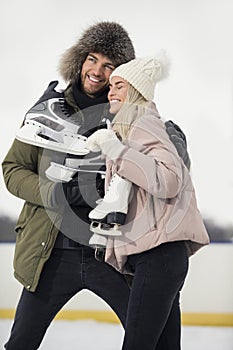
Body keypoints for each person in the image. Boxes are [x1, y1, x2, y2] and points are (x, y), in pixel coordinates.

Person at [2, 21, 190, 349]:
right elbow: (13, 169)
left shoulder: (135, 119)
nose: (97, 72)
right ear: (79, 61)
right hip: (50, 255)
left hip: (111, 254)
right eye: (92, 59)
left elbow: (164, 174)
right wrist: (53, 193)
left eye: (110, 66)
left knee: (154, 341)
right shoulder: (46, 114)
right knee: (20, 344)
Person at [87, 57, 210, 350]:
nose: (110, 91)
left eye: (120, 85)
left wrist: (114, 148)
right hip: (159, 257)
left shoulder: (144, 123)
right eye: (110, 86)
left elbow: (169, 180)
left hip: (159, 256)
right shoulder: (130, 129)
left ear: (138, 91)